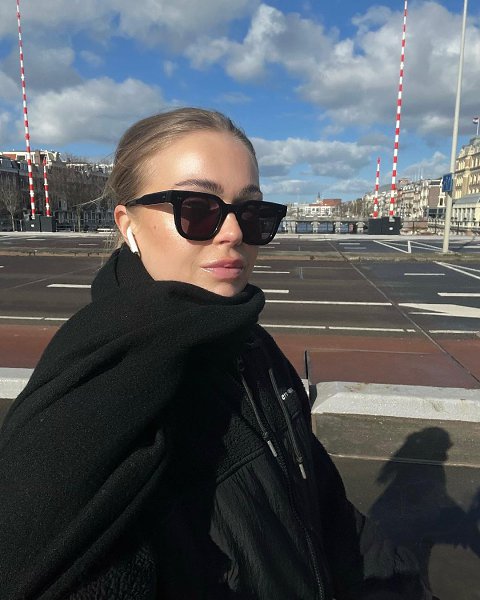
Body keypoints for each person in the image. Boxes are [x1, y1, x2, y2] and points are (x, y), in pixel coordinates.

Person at [0, 108, 433, 599]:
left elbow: (325, 512)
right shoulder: (97, 394)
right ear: (128, 223)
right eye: (197, 209)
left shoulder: (249, 344)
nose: (233, 234)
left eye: (252, 213)